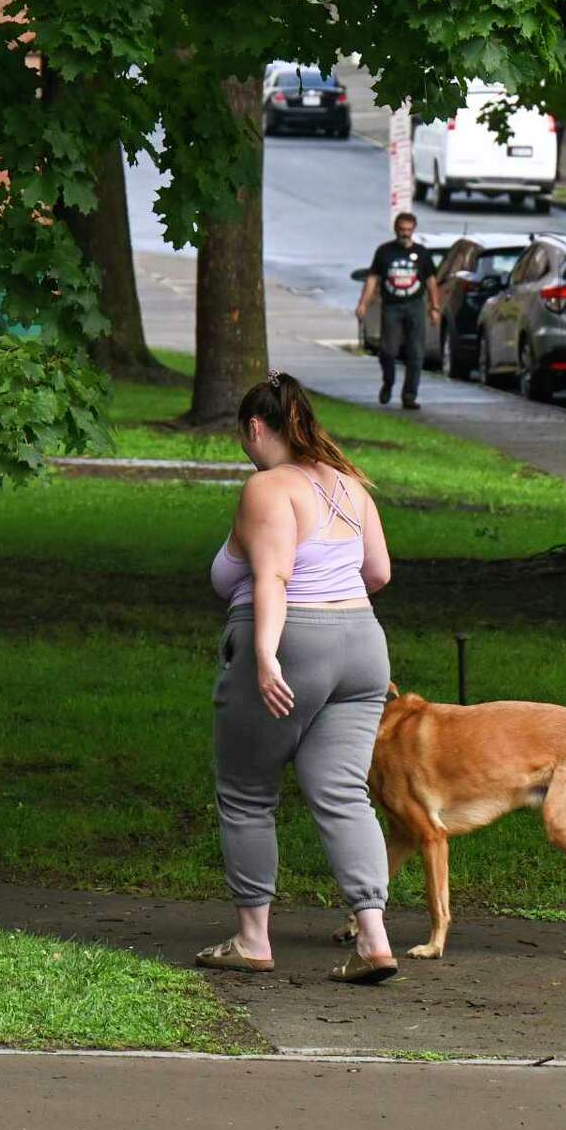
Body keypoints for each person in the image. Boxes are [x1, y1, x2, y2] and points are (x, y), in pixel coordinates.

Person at [201, 372, 399, 984]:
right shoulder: (350, 486)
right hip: (364, 645)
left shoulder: (267, 489)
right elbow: (380, 574)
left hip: (294, 641)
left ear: (256, 428)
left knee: (246, 790)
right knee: (342, 793)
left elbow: (275, 579)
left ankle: (253, 938)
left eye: (243, 435)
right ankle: (373, 938)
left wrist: (266, 655)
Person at [355, 212, 441, 409]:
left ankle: (409, 396)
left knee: (416, 353)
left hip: (415, 306)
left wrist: (434, 307)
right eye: (402, 230)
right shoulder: (384, 252)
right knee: (388, 351)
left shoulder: (422, 253)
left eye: (409, 230)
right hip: (392, 306)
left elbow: (431, 282)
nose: (405, 234)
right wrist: (363, 304)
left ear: (414, 230)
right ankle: (388, 382)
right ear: (396, 229)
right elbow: (372, 279)